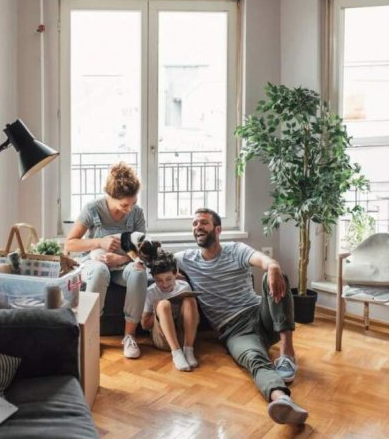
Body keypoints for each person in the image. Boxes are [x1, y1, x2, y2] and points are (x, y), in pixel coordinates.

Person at [174, 208, 308, 426]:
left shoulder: (236, 249)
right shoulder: (184, 259)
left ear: (218, 230)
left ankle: (287, 353)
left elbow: (264, 260)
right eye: (195, 224)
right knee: (254, 360)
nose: (198, 227)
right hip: (234, 331)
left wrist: (273, 266)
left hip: (261, 314)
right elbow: (155, 263)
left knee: (276, 276)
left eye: (204, 223)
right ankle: (282, 400)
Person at [65, 162, 147, 359]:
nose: (130, 209)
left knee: (138, 271)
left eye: (133, 202)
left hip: (122, 265)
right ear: (110, 196)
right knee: (100, 271)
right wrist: (99, 242)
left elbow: (143, 250)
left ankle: (129, 336)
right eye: (124, 205)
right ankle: (90, 335)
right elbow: (70, 244)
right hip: (94, 262)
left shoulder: (136, 213)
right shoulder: (93, 209)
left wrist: (122, 258)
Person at [141, 251, 200, 372]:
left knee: (190, 300)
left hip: (184, 336)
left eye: (168, 279)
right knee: (163, 304)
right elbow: (144, 325)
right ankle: (176, 353)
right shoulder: (151, 292)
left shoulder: (184, 286)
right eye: (159, 280)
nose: (164, 284)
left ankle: (188, 350)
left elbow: (192, 315)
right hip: (163, 339)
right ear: (153, 278)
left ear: (176, 273)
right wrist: (156, 309)